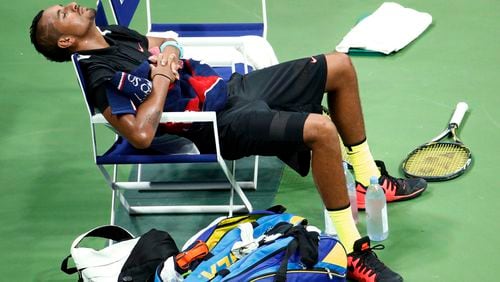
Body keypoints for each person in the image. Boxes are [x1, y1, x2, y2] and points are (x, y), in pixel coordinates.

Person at [30, 3, 428, 281]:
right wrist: (165, 76)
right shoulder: (100, 76)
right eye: (64, 14)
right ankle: (354, 248)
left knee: (339, 65)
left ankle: (365, 180)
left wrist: (167, 54)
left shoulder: (112, 34)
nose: (74, 4)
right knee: (321, 131)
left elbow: (163, 41)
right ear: (65, 42)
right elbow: (140, 133)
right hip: (216, 124)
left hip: (228, 89)